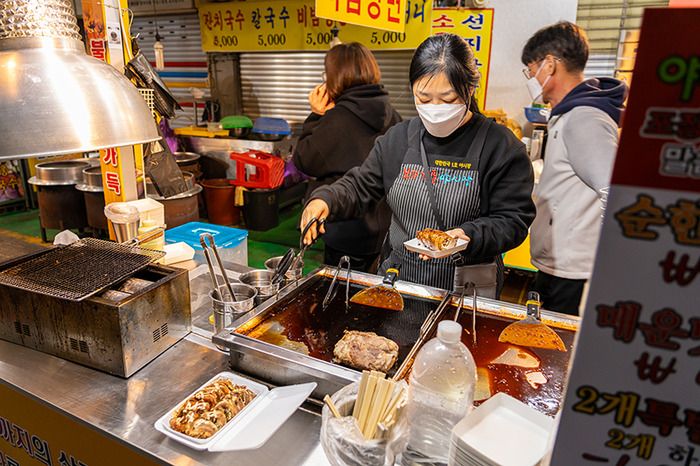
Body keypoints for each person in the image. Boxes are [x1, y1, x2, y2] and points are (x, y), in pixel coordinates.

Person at [300, 34, 535, 295]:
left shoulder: (501, 147)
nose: (435, 108)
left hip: (467, 287)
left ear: (469, 89)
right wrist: (325, 199)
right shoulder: (398, 139)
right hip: (400, 279)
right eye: (423, 98)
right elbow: (359, 185)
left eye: (447, 99)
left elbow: (513, 220)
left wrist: (467, 235)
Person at [521, 21, 628, 315]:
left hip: (573, 269)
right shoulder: (568, 113)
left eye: (530, 68)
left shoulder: (584, 118)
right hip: (560, 262)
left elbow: (615, 192)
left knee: (557, 347)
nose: (530, 76)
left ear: (550, 65)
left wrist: (611, 263)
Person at [293, 42, 402, 272]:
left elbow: (304, 160)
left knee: (340, 297)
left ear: (335, 77)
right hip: (383, 232)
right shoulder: (393, 115)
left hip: (344, 230)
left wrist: (316, 115)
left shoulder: (337, 119)